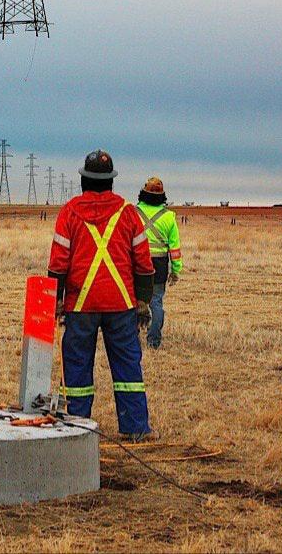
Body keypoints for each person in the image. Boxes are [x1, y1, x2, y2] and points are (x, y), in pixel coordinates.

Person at [48, 150, 156, 440]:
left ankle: (75, 426)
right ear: (110, 182)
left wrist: (55, 301)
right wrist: (143, 300)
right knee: (127, 367)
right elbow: (143, 262)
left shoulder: (69, 212)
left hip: (79, 304)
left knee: (77, 367)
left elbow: (58, 262)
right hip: (120, 304)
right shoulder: (128, 213)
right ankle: (135, 428)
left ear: (84, 180)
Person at [136, 176, 183, 350]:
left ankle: (133, 339)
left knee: (135, 301)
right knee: (156, 302)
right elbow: (175, 248)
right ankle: (154, 341)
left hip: (138, 264)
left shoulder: (134, 212)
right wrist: (176, 271)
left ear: (143, 193)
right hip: (160, 265)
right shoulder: (169, 217)